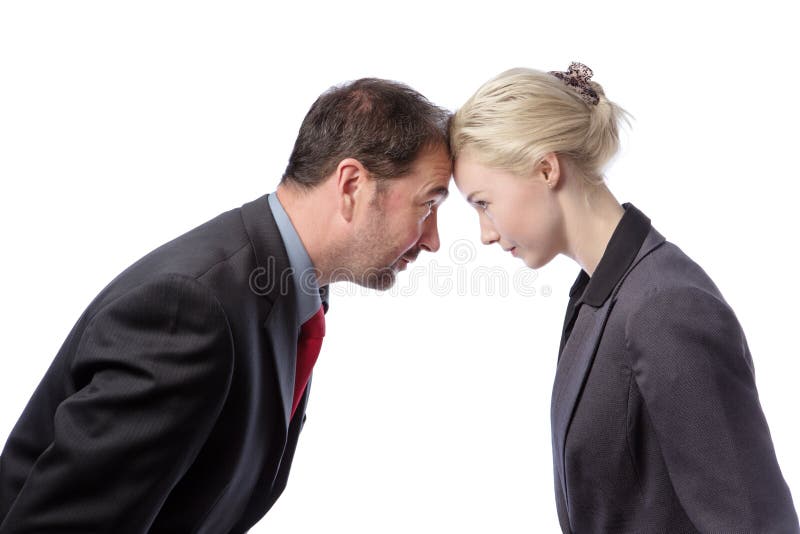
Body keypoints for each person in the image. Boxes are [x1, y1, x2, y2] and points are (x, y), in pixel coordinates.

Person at [0, 78, 452, 533]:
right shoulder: (190, 309)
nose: (433, 239)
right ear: (352, 185)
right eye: (428, 204)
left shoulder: (290, 291)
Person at [449, 62, 799, 533]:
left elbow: (757, 523)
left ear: (546, 168)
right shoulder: (600, 297)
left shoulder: (666, 309)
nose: (485, 233)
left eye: (484, 202)